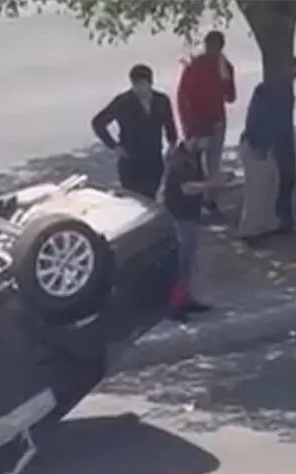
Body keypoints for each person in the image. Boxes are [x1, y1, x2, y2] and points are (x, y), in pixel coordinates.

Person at [238, 56, 296, 244]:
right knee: (256, 190)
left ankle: (264, 226)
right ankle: (249, 230)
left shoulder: (280, 92)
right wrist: (259, 144)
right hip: (256, 144)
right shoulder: (266, 91)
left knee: (268, 187)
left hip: (267, 145)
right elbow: (255, 119)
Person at [91, 64, 178, 199]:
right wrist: (114, 146)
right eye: (136, 84)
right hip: (131, 158)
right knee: (133, 197)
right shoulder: (123, 102)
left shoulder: (161, 101)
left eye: (142, 84)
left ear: (150, 82)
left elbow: (169, 124)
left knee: (150, 195)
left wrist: (172, 143)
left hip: (154, 156)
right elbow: (98, 122)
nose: (139, 88)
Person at [163, 135, 223, 322]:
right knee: (182, 263)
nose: (208, 142)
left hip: (189, 213)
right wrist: (213, 184)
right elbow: (186, 188)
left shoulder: (192, 155)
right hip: (180, 215)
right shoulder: (180, 160)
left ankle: (185, 298)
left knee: (188, 262)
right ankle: (175, 305)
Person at [176, 30, 237, 212]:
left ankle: (210, 199)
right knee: (195, 164)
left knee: (213, 163)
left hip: (215, 122)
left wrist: (225, 78)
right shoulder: (195, 67)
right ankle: (195, 198)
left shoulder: (224, 66)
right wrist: (187, 125)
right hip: (198, 124)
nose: (213, 50)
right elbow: (183, 97)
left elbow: (230, 97)